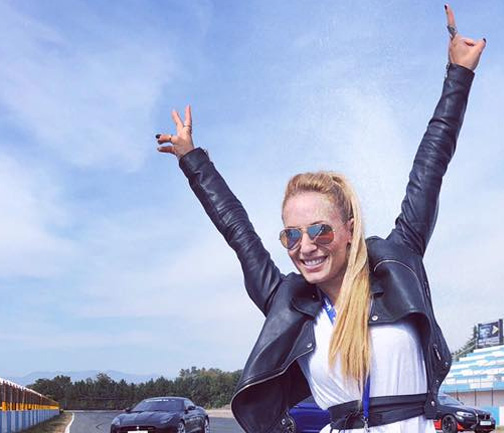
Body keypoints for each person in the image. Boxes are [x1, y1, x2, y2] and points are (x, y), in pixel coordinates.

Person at [157, 5, 485, 433]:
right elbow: (238, 231)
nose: (306, 246)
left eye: (319, 230)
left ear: (349, 230)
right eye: (291, 235)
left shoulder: (397, 264)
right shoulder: (287, 302)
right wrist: (191, 158)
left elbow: (431, 167)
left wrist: (458, 75)